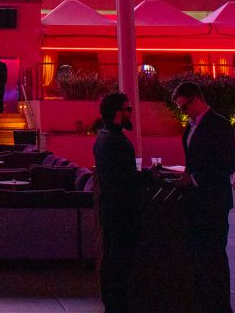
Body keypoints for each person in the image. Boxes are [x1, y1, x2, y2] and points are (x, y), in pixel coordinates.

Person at [173, 82, 235, 313]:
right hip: (196, 200)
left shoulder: (219, 125)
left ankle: (220, 305)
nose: (183, 111)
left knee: (214, 254)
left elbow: (227, 165)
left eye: (184, 106)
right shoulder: (191, 126)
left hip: (214, 200)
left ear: (196, 100)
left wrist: (195, 178)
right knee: (199, 254)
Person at [93, 92, 145, 313]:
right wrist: (148, 177)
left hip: (111, 209)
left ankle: (112, 304)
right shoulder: (115, 140)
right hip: (121, 211)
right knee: (120, 262)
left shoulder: (104, 137)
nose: (131, 113)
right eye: (128, 109)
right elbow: (124, 178)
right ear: (117, 113)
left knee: (113, 259)